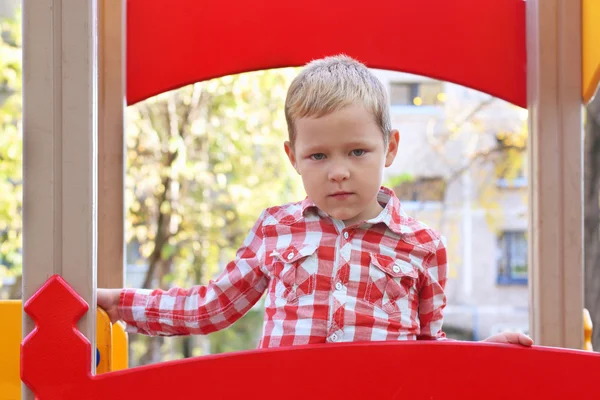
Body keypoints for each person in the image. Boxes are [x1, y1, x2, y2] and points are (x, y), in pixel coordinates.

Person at [98, 55, 533, 348]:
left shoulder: (421, 246)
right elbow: (212, 305)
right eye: (318, 155)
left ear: (391, 148)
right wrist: (119, 304)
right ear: (293, 157)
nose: (338, 171)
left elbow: (429, 352)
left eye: (357, 151)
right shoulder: (278, 230)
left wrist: (483, 356)